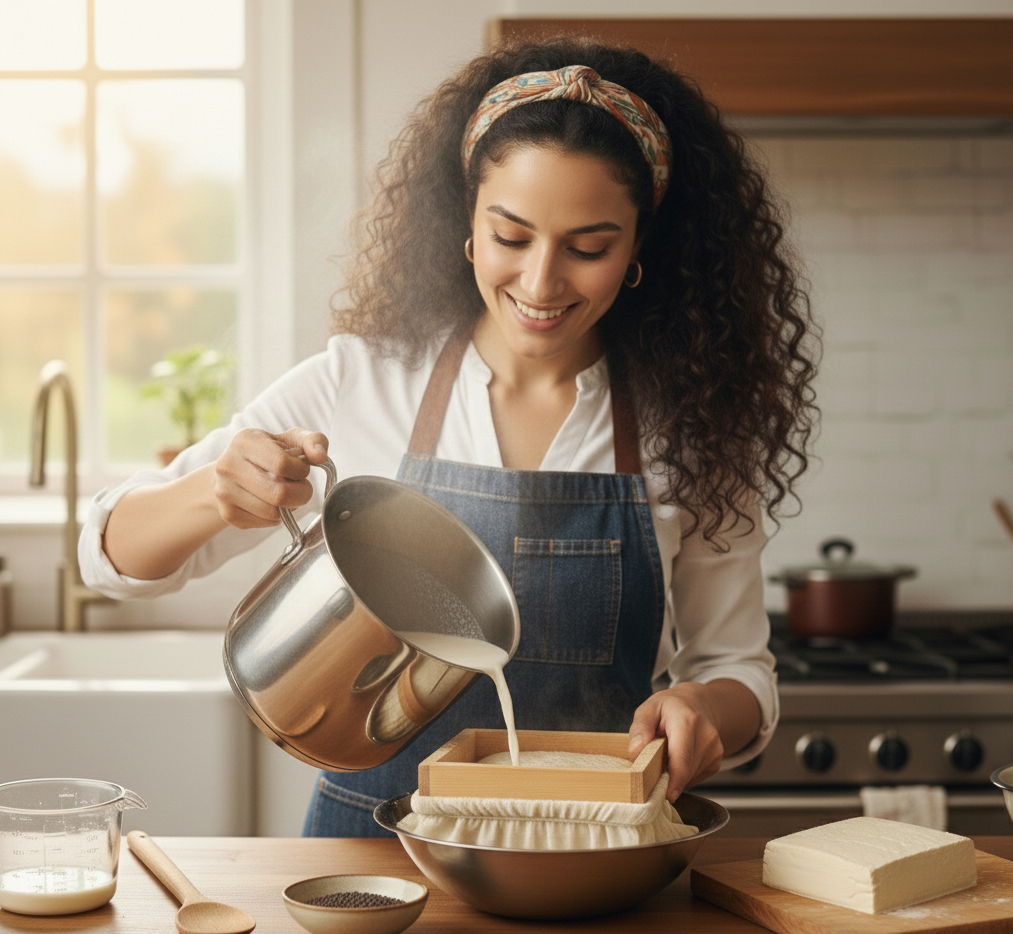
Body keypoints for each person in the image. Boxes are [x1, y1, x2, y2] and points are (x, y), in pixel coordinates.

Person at [80, 36, 819, 837]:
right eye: (510, 236)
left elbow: (737, 671)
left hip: (592, 857)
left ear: (640, 247)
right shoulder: (359, 382)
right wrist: (213, 491)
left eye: (588, 247)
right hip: (373, 858)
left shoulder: (693, 426)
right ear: (464, 225)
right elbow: (108, 560)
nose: (540, 283)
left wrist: (706, 704)